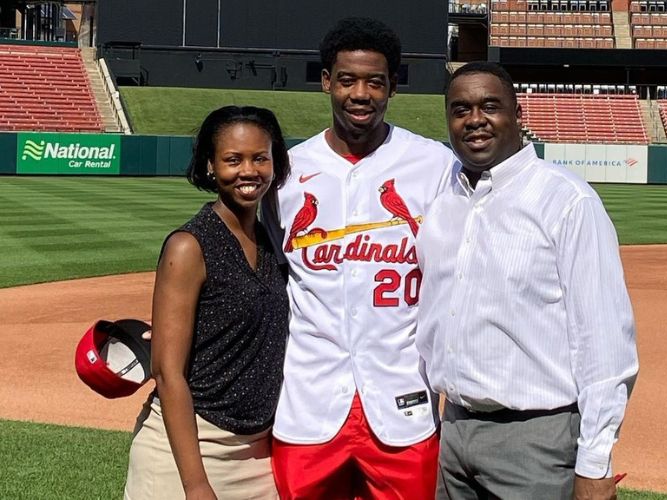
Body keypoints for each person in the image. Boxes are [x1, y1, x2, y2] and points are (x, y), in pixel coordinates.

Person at [416, 61, 639, 500]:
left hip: (536, 440)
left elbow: (605, 342)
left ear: (519, 116)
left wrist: (595, 463)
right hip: (453, 431)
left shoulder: (567, 201)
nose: (474, 119)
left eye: (490, 106)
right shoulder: (443, 206)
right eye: (460, 109)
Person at [266, 17, 459, 499]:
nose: (360, 93)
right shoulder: (289, 171)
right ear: (327, 81)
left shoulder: (435, 165)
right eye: (347, 80)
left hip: (403, 402)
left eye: (375, 81)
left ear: (393, 85)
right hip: (308, 402)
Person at [124, 105, 291, 500]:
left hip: (257, 456)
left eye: (260, 158)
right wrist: (195, 484)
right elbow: (168, 373)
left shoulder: (270, 241)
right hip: (187, 451)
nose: (248, 171)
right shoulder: (188, 246)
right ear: (211, 167)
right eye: (233, 160)